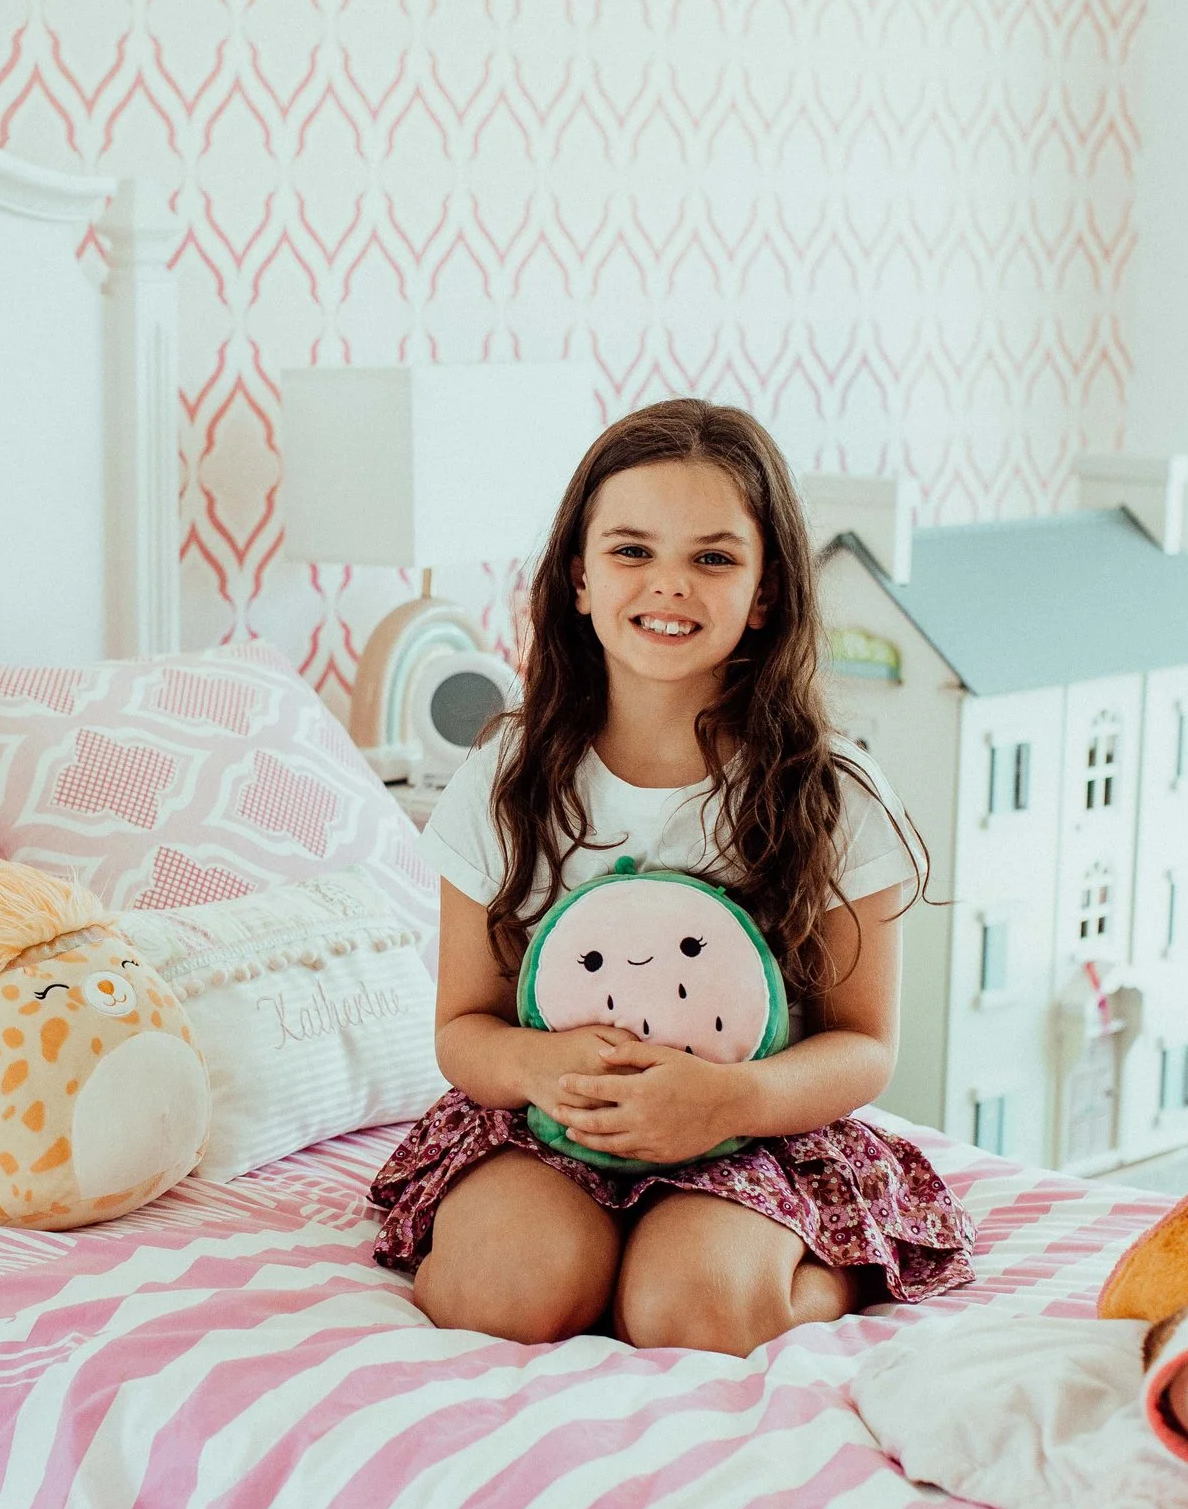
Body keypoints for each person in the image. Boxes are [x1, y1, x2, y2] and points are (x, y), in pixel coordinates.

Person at [369, 399, 974, 1355]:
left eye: (714, 557)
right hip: (548, 1126)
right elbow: (462, 1028)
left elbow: (864, 1045)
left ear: (766, 592)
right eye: (631, 550)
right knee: (501, 1295)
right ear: (579, 577)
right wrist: (538, 1068)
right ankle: (578, 1256)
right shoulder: (506, 776)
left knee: (690, 1313)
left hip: (752, 1127)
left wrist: (729, 1101)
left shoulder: (833, 790)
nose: (670, 585)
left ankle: (839, 1267)